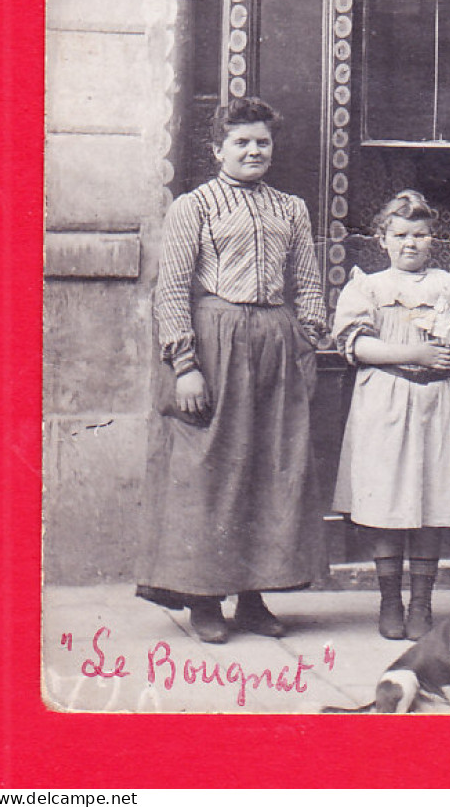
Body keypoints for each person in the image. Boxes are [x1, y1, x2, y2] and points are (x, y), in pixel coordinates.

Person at [139, 96, 328, 644]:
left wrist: (306, 339)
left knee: (268, 468)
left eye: (262, 142)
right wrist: (185, 366)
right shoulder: (193, 207)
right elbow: (171, 290)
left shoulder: (291, 208)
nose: (253, 151)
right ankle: (202, 598)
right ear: (217, 148)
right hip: (214, 341)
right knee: (209, 471)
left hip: (275, 343)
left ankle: (252, 597)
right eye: (241, 142)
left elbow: (309, 283)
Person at [332, 191, 450, 640]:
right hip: (388, 399)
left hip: (442, 401)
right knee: (388, 502)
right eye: (400, 235)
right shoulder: (368, 285)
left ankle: (421, 603)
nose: (411, 244)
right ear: (382, 239)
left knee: (432, 501)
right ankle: (390, 601)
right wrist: (414, 352)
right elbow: (356, 346)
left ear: (433, 239)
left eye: (420, 235)